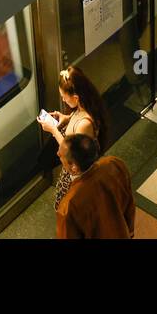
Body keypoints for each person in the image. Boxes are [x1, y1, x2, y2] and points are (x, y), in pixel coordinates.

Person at [39, 65, 109, 212]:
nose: (63, 101)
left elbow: (70, 150)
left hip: (78, 175)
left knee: (68, 208)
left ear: (76, 98)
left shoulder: (85, 124)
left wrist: (53, 130)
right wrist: (64, 118)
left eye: (64, 97)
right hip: (73, 169)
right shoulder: (84, 107)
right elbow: (75, 119)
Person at [55, 135, 135, 239]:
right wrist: (130, 232)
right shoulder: (114, 164)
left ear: (74, 167)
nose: (57, 154)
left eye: (61, 155)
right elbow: (129, 204)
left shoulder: (69, 205)